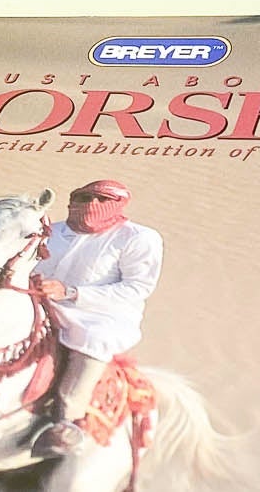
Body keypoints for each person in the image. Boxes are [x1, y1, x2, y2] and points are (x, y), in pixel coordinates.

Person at [30, 179, 163, 457]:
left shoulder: (137, 238)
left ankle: (66, 422)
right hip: (39, 303)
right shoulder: (49, 231)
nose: (92, 204)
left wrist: (71, 292)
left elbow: (137, 287)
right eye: (84, 197)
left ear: (119, 204)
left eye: (103, 200)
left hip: (98, 316)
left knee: (92, 339)